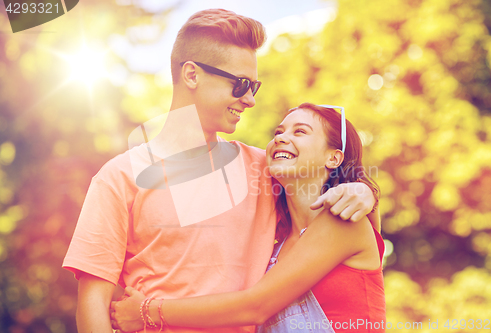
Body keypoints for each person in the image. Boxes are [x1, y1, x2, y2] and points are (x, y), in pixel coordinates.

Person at [63, 9, 379, 333]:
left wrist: (364, 190)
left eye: (253, 87)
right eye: (240, 84)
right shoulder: (119, 178)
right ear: (192, 75)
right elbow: (93, 304)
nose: (250, 100)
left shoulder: (265, 168)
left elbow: (327, 190)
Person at [110, 103, 385, 332]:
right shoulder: (275, 241)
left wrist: (148, 311)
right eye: (279, 131)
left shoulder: (343, 221)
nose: (281, 137)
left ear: (334, 158)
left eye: (300, 131)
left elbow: (254, 308)